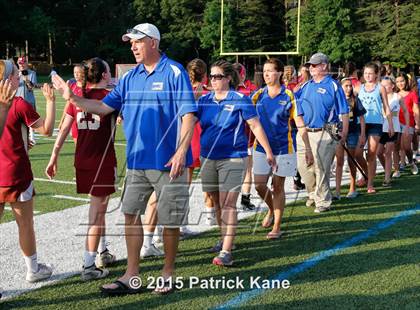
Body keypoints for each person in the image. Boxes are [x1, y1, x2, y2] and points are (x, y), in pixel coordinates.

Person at [52, 23, 196, 295]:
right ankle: (132, 275)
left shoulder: (175, 72)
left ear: (153, 42)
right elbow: (103, 108)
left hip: (168, 163)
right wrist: (73, 98)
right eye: (130, 42)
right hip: (137, 162)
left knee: (170, 220)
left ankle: (167, 272)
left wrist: (180, 151)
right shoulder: (131, 78)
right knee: (130, 214)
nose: (132, 46)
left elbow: (189, 113)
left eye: (137, 41)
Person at [197, 60, 276, 266]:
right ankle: (224, 238)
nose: (213, 80)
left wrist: (268, 151)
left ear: (228, 78)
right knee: (215, 201)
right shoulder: (204, 100)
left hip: (233, 156)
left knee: (228, 202)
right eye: (211, 77)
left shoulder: (240, 99)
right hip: (208, 157)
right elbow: (188, 122)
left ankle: (226, 251)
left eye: (218, 76)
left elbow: (255, 125)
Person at [46, 57, 117, 281]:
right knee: (97, 213)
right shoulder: (108, 97)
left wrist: (54, 155)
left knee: (99, 209)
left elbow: (64, 128)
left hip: (83, 159)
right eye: (109, 71)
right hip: (101, 160)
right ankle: (88, 264)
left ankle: (102, 251)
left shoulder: (78, 96)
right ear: (104, 75)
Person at [0, 59, 55, 283]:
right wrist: (50, 101)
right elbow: (47, 130)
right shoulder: (18, 103)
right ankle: (33, 269)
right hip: (15, 173)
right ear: (5, 81)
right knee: (25, 224)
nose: (17, 80)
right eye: (13, 77)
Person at [295, 52, 349, 213]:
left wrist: (344, 133)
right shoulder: (305, 86)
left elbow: (344, 111)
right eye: (310, 65)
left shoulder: (333, 85)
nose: (310, 68)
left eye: (314, 65)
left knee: (321, 168)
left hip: (324, 132)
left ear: (324, 66)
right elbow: (293, 101)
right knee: (304, 167)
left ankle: (323, 201)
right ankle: (312, 193)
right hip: (304, 131)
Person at [252, 58, 299, 238]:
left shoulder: (289, 95)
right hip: (261, 148)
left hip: (283, 148)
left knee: (278, 187)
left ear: (279, 73)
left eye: (270, 71)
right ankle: (271, 210)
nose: (266, 74)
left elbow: (299, 122)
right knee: (259, 185)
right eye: (264, 71)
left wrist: (308, 149)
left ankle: (277, 227)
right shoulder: (258, 95)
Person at [356, 62, 394, 193]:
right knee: (357, 154)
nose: (367, 75)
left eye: (370, 73)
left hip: (376, 124)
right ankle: (366, 174)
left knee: (371, 155)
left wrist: (390, 125)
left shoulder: (380, 88)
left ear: (376, 74)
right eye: (365, 73)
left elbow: (386, 107)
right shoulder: (358, 87)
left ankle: (370, 184)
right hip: (360, 124)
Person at [186, 58, 215, 225]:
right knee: (209, 183)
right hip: (204, 142)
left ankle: (180, 224)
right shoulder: (208, 94)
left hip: (187, 142)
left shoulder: (183, 92)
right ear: (205, 75)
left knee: (182, 188)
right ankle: (210, 217)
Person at [333, 78, 366, 199]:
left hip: (352, 133)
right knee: (339, 161)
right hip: (339, 133)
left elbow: (362, 119)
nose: (348, 88)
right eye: (346, 86)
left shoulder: (355, 100)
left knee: (351, 160)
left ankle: (353, 187)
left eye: (350, 86)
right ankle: (337, 191)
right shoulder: (335, 100)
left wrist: (362, 135)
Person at [233, 62, 257, 211]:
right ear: (242, 74)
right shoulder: (251, 91)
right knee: (247, 170)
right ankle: (245, 199)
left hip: (228, 138)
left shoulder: (222, 91)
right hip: (246, 136)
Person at [377, 77, 409, 184]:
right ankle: (388, 169)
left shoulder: (397, 97)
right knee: (378, 152)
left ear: (392, 86)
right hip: (381, 127)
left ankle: (387, 178)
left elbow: (405, 111)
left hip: (393, 127)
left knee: (388, 152)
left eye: (387, 85)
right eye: (383, 85)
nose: (385, 87)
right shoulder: (379, 97)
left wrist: (407, 126)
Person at [395, 72, 419, 175]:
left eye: (402, 81)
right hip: (395, 123)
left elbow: (416, 110)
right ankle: (397, 169)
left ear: (406, 81)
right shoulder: (393, 94)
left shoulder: (412, 94)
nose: (400, 83)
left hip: (408, 123)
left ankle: (410, 162)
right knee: (396, 147)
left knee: (406, 147)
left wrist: (417, 124)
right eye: (397, 81)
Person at [58, 64, 84, 143]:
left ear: (83, 73)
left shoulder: (88, 87)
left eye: (78, 72)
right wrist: (62, 120)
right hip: (74, 120)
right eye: (74, 72)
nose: (76, 74)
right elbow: (68, 104)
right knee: (78, 147)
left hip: (86, 120)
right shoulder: (72, 86)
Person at [16, 56, 38, 145]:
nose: (22, 65)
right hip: (18, 101)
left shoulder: (32, 73)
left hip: (29, 100)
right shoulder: (15, 73)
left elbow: (31, 88)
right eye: (20, 63)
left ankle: (32, 136)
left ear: (26, 63)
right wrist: (18, 77)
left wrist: (27, 80)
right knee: (18, 121)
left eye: (23, 63)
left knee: (31, 120)